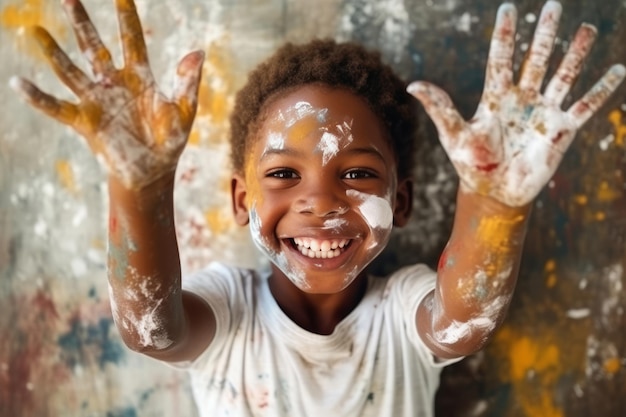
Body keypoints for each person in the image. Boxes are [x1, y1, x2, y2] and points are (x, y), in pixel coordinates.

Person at [11, 0, 624, 416]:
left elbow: (465, 320)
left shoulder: (403, 308)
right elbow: (151, 331)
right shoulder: (229, 307)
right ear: (240, 200)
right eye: (283, 174)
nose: (320, 201)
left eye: (356, 173)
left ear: (400, 201)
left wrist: (495, 204)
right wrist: (138, 186)